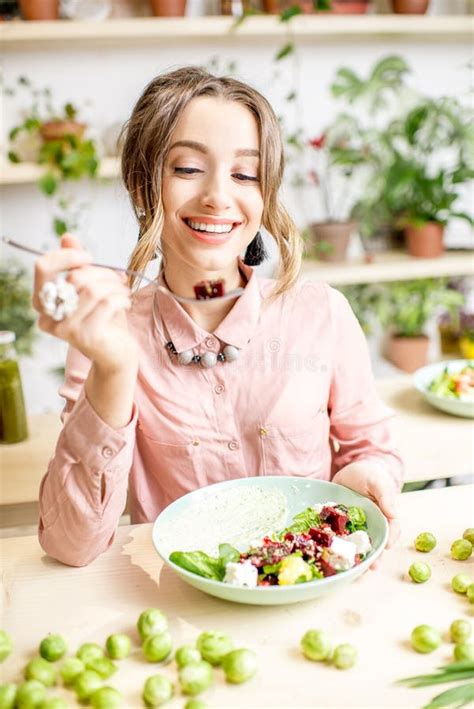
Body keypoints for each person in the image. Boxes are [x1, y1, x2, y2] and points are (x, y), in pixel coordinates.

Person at [33, 67, 403, 568]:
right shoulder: (105, 335)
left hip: (313, 588)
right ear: (143, 186)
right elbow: (71, 546)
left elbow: (368, 448)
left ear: (265, 194)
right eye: (187, 168)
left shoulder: (322, 313)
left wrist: (368, 474)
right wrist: (116, 368)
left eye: (245, 174)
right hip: (184, 609)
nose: (218, 196)